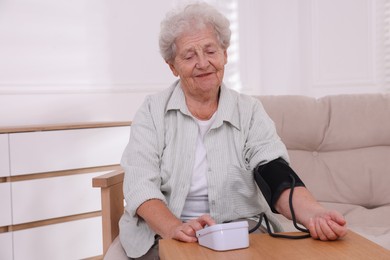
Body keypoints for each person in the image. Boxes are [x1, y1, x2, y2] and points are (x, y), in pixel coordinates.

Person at [112, 2, 347, 259]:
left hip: (240, 234)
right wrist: (175, 228)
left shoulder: (249, 111)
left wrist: (315, 214)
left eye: (211, 51)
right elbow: (140, 185)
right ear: (172, 66)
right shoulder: (152, 111)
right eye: (189, 56)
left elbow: (274, 172)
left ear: (224, 54)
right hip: (164, 233)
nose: (203, 63)